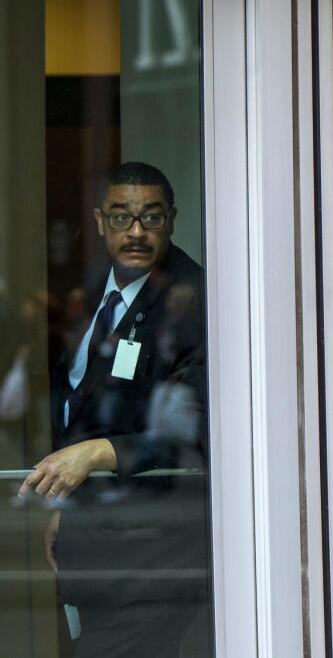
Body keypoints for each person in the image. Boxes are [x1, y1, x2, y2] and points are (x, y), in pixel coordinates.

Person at [20, 162, 209, 657]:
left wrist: (95, 455)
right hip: (97, 547)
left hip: (153, 557)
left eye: (151, 217)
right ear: (101, 221)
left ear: (172, 219)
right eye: (123, 217)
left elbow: (199, 422)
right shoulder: (94, 288)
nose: (138, 232)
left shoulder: (194, 299)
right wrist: (65, 506)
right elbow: (79, 402)